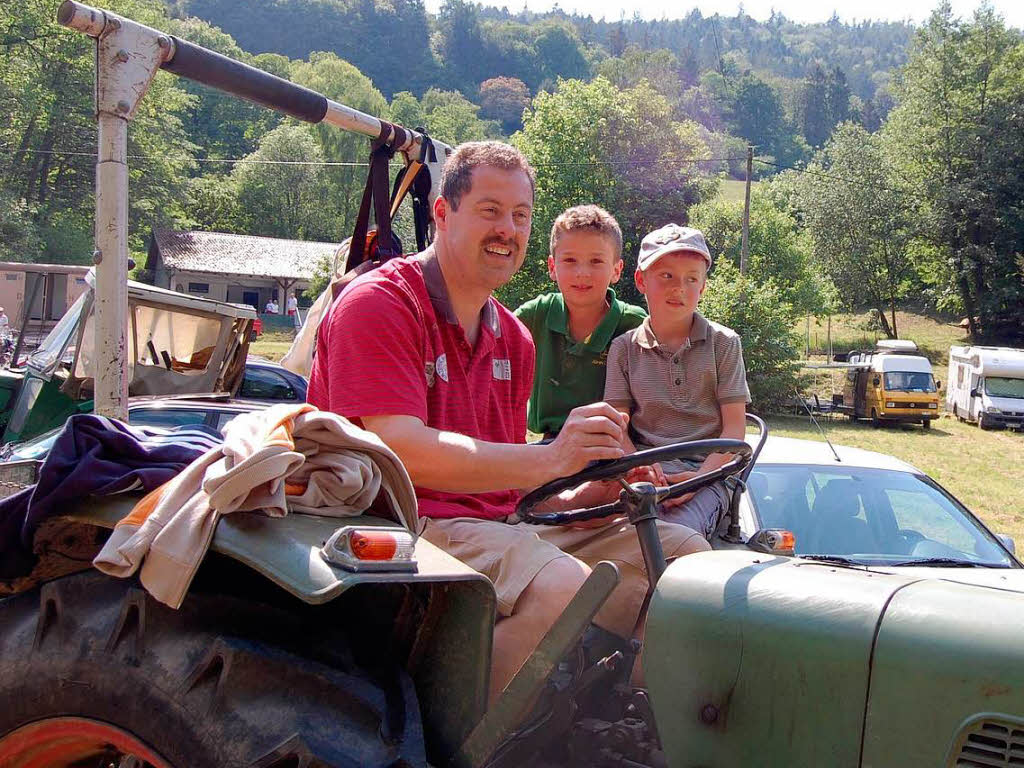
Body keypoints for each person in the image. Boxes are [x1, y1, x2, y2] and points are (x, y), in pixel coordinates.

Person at [307, 142, 708, 703]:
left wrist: (593, 483)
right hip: (400, 520)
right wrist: (551, 457)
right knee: (566, 587)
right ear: (443, 215)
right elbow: (398, 449)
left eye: (521, 216)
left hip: (498, 525)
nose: (508, 229)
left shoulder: (514, 339)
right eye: (490, 210)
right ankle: (447, 740)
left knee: (688, 561)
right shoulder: (382, 303)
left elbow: (504, 484)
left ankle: (629, 724)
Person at [604, 224, 750, 540]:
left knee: (673, 537)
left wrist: (698, 479)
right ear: (641, 280)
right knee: (606, 533)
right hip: (642, 472)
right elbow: (617, 427)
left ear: (703, 287)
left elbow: (734, 430)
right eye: (666, 276)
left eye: (691, 279)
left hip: (708, 475)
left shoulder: (724, 343)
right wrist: (640, 470)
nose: (679, 288)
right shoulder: (623, 349)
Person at [514, 205, 646, 439]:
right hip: (550, 443)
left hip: (617, 444)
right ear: (552, 267)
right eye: (570, 260)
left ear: (616, 270)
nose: (582, 272)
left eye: (596, 261)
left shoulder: (634, 325)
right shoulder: (536, 315)